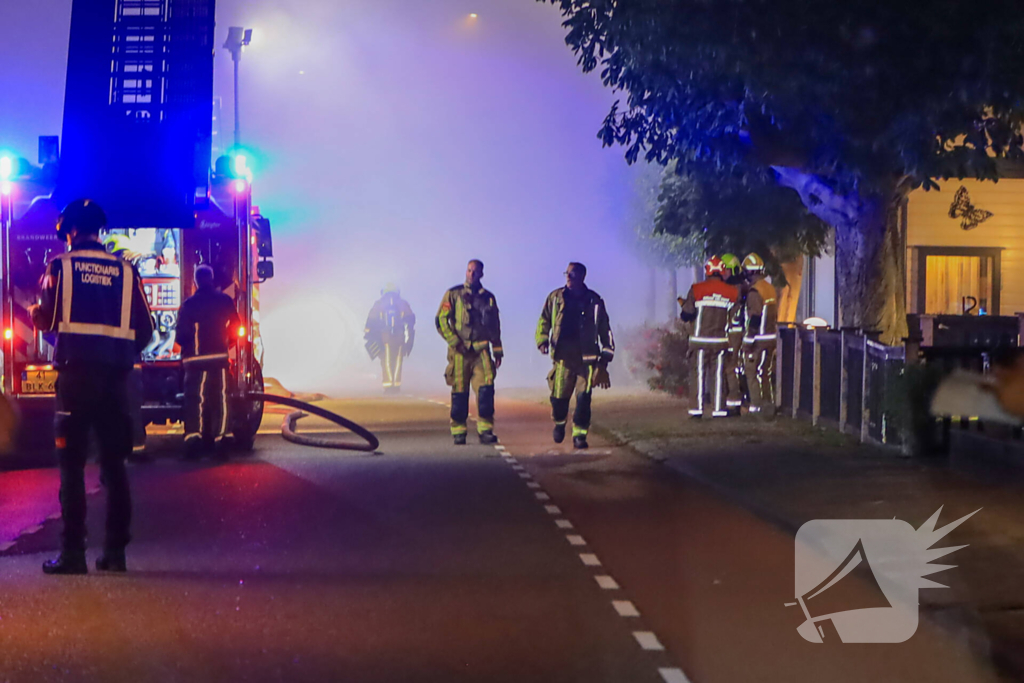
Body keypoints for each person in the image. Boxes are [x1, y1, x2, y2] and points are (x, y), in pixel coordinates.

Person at [29, 199, 154, 574]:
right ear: (99, 231)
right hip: (116, 380)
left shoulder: (59, 267)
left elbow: (46, 318)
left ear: (69, 231)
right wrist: (117, 354)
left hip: (75, 379)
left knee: (71, 466)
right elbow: (146, 330)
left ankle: (72, 555)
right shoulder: (126, 270)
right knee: (114, 466)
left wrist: (37, 316)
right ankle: (115, 554)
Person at [536, 262, 614, 449]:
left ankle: (580, 435)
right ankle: (560, 423)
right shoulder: (555, 298)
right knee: (559, 398)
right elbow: (543, 320)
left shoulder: (595, 301)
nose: (568, 277)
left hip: (587, 361)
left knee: (583, 399)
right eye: (567, 273)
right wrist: (542, 340)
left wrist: (604, 361)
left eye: (572, 274)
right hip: (563, 358)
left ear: (582, 277)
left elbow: (605, 331)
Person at [435, 260, 503, 444]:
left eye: (475, 271)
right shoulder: (453, 294)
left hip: (482, 351)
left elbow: (494, 325)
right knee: (459, 390)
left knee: (486, 390)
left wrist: (497, 350)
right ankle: (458, 431)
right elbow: (441, 320)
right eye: (469, 270)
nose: (471, 274)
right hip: (459, 351)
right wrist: (454, 341)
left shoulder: (488, 297)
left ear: (481, 274)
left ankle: (485, 430)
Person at [177, 264, 240, 458]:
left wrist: (185, 352)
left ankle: (194, 441)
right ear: (211, 280)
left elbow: (182, 336)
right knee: (221, 398)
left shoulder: (188, 305)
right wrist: (226, 343)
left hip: (195, 362)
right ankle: (222, 440)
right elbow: (236, 327)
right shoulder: (224, 301)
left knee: (196, 400)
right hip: (219, 359)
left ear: (195, 282)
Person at [678, 256, 741, 418]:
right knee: (718, 376)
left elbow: (688, 314)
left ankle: (697, 411)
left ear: (707, 271)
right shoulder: (731, 292)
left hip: (699, 342)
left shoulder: (697, 289)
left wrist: (684, 305)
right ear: (721, 271)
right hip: (720, 342)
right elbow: (735, 318)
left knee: (698, 375)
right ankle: (719, 409)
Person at [742, 253, 779, 414]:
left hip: (759, 340)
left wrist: (748, 342)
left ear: (750, 272)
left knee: (752, 372)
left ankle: (756, 407)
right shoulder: (769, 288)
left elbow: (754, 319)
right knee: (764, 373)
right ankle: (767, 404)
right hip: (771, 338)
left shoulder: (755, 292)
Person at [364, 285, 415, 393]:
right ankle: (396, 386)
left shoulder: (379, 304)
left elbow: (371, 320)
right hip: (400, 337)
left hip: (384, 337)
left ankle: (388, 386)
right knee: (398, 361)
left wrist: (369, 334)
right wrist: (409, 338)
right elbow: (411, 320)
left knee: (386, 361)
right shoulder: (403, 304)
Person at [720, 253, 748, 412]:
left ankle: (734, 403)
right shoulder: (741, 287)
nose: (723, 274)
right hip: (734, 333)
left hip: (733, 335)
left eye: (726, 271)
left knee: (730, 368)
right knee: (731, 368)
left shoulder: (734, 289)